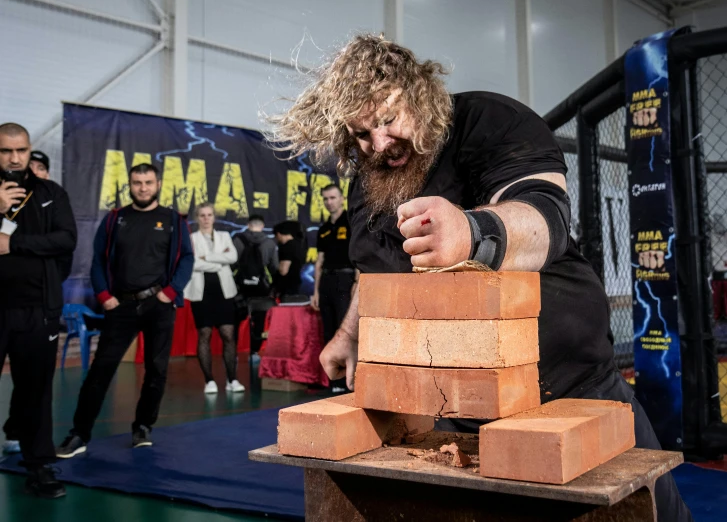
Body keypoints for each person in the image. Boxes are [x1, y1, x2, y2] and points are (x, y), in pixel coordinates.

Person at [269, 34, 693, 522]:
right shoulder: (371, 181)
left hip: (569, 388)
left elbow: (544, 215)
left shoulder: (488, 122)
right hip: (455, 409)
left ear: (420, 92)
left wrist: (474, 233)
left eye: (388, 120)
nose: (380, 144)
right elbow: (374, 272)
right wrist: (349, 336)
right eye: (362, 134)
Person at [56, 163, 193, 459]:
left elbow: (186, 259)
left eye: (148, 182)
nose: (142, 187)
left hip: (159, 305)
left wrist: (170, 292)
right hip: (121, 305)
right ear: (129, 185)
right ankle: (79, 434)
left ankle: (143, 426)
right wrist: (104, 295)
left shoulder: (172, 219)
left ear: (158, 184)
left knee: (156, 371)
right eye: (136, 182)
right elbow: (97, 261)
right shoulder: (115, 219)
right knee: (100, 370)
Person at [0, 122, 77, 498]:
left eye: (21, 150)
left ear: (30, 151)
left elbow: (66, 238)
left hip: (36, 310)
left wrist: (13, 244)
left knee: (36, 391)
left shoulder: (50, 193)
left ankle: (40, 465)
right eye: (5, 151)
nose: (14, 158)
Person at [2, 152, 52, 455]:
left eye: (40, 168)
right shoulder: (7, 203)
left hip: (36, 304)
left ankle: (37, 459)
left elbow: (64, 244)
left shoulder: (52, 201)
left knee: (33, 381)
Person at [184, 202, 245, 394]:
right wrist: (219, 260)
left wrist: (205, 258)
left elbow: (232, 257)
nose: (206, 218)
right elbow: (192, 263)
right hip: (200, 293)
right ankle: (209, 381)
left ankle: (232, 380)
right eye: (202, 215)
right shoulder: (191, 238)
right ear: (197, 218)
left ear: (214, 217)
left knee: (228, 333)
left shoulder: (225, 236)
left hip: (224, 292)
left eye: (209, 215)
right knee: (205, 334)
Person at [311, 184, 357, 393]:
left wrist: (357, 284)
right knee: (329, 331)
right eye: (326, 199)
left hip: (345, 279)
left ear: (341, 199)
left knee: (345, 330)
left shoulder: (350, 222)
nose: (329, 202)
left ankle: (351, 381)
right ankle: (336, 382)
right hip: (327, 282)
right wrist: (316, 291)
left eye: (332, 197)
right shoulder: (323, 229)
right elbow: (319, 262)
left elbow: (358, 256)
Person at [233, 214, 279, 356]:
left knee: (234, 320)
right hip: (260, 288)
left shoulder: (237, 240)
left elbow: (231, 263)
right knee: (258, 321)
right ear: (263, 226)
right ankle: (254, 351)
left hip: (240, 288)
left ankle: (232, 350)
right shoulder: (270, 243)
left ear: (248, 224)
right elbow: (274, 268)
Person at [272, 220, 306, 302]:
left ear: (279, 234)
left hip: (286, 287)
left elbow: (283, 270)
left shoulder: (287, 246)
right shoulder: (300, 245)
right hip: (297, 283)